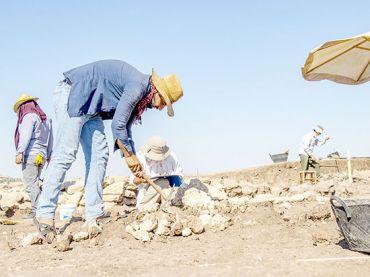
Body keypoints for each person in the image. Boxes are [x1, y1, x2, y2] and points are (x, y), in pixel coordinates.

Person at [34, 60, 183, 242]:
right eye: (163, 102)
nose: (160, 108)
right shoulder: (137, 86)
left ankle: (93, 214)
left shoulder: (141, 93)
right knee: (65, 154)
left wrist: (133, 160)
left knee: (99, 155)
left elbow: (125, 129)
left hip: (91, 106)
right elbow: (117, 125)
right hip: (73, 93)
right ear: (157, 92)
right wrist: (130, 158)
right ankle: (44, 215)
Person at [14, 94, 53, 219]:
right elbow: (50, 139)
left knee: (31, 183)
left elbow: (25, 136)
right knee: (36, 182)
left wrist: (20, 152)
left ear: (22, 106)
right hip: (41, 156)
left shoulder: (28, 117)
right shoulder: (45, 120)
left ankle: (37, 211)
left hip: (31, 154)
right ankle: (42, 209)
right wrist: (49, 155)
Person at [130, 136, 184, 211]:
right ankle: (145, 208)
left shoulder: (172, 157)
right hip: (148, 194)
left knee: (166, 185)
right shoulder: (140, 158)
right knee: (162, 182)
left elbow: (180, 176)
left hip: (170, 190)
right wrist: (142, 179)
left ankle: (167, 206)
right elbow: (133, 181)